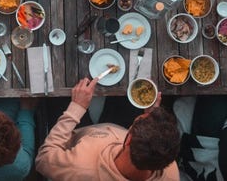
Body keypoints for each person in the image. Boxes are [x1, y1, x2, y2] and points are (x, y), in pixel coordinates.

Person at [35, 77, 181, 180]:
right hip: (117, 125)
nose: (145, 115)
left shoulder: (79, 167)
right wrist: (151, 113)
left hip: (80, 130)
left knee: (60, 89)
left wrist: (76, 108)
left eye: (138, 120)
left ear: (128, 139)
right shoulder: (169, 169)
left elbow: (43, 159)